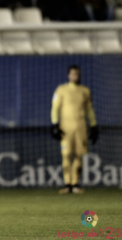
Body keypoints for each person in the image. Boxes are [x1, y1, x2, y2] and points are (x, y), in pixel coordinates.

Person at [51, 65, 98, 195]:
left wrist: (93, 125)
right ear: (68, 75)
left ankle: (75, 184)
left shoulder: (85, 91)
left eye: (77, 74)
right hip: (65, 127)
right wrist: (55, 125)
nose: (75, 76)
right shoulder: (61, 90)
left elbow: (89, 110)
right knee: (66, 154)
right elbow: (55, 108)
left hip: (81, 127)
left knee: (79, 154)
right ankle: (67, 184)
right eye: (72, 74)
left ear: (79, 75)